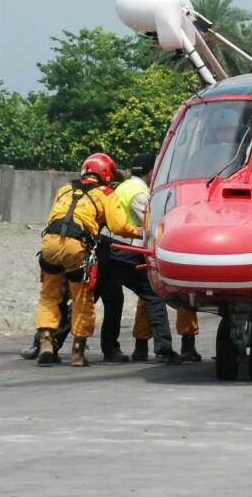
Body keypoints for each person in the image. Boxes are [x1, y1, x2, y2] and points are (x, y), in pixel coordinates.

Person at [33, 153, 136, 367]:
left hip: (50, 243)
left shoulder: (65, 188)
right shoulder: (106, 193)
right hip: (77, 246)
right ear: (107, 174)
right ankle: (78, 350)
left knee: (49, 296)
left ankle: (45, 339)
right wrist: (139, 231)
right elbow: (118, 226)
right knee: (82, 296)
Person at [117, 152, 202, 362]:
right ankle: (186, 346)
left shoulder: (123, 188)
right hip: (154, 246)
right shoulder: (151, 191)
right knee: (184, 296)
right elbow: (154, 220)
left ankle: (140, 346)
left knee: (146, 298)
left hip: (125, 250)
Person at [100, 153, 179, 363]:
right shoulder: (140, 193)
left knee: (105, 298)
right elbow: (150, 224)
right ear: (152, 172)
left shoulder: (123, 187)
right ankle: (163, 349)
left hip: (105, 248)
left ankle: (51, 341)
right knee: (153, 295)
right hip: (124, 251)